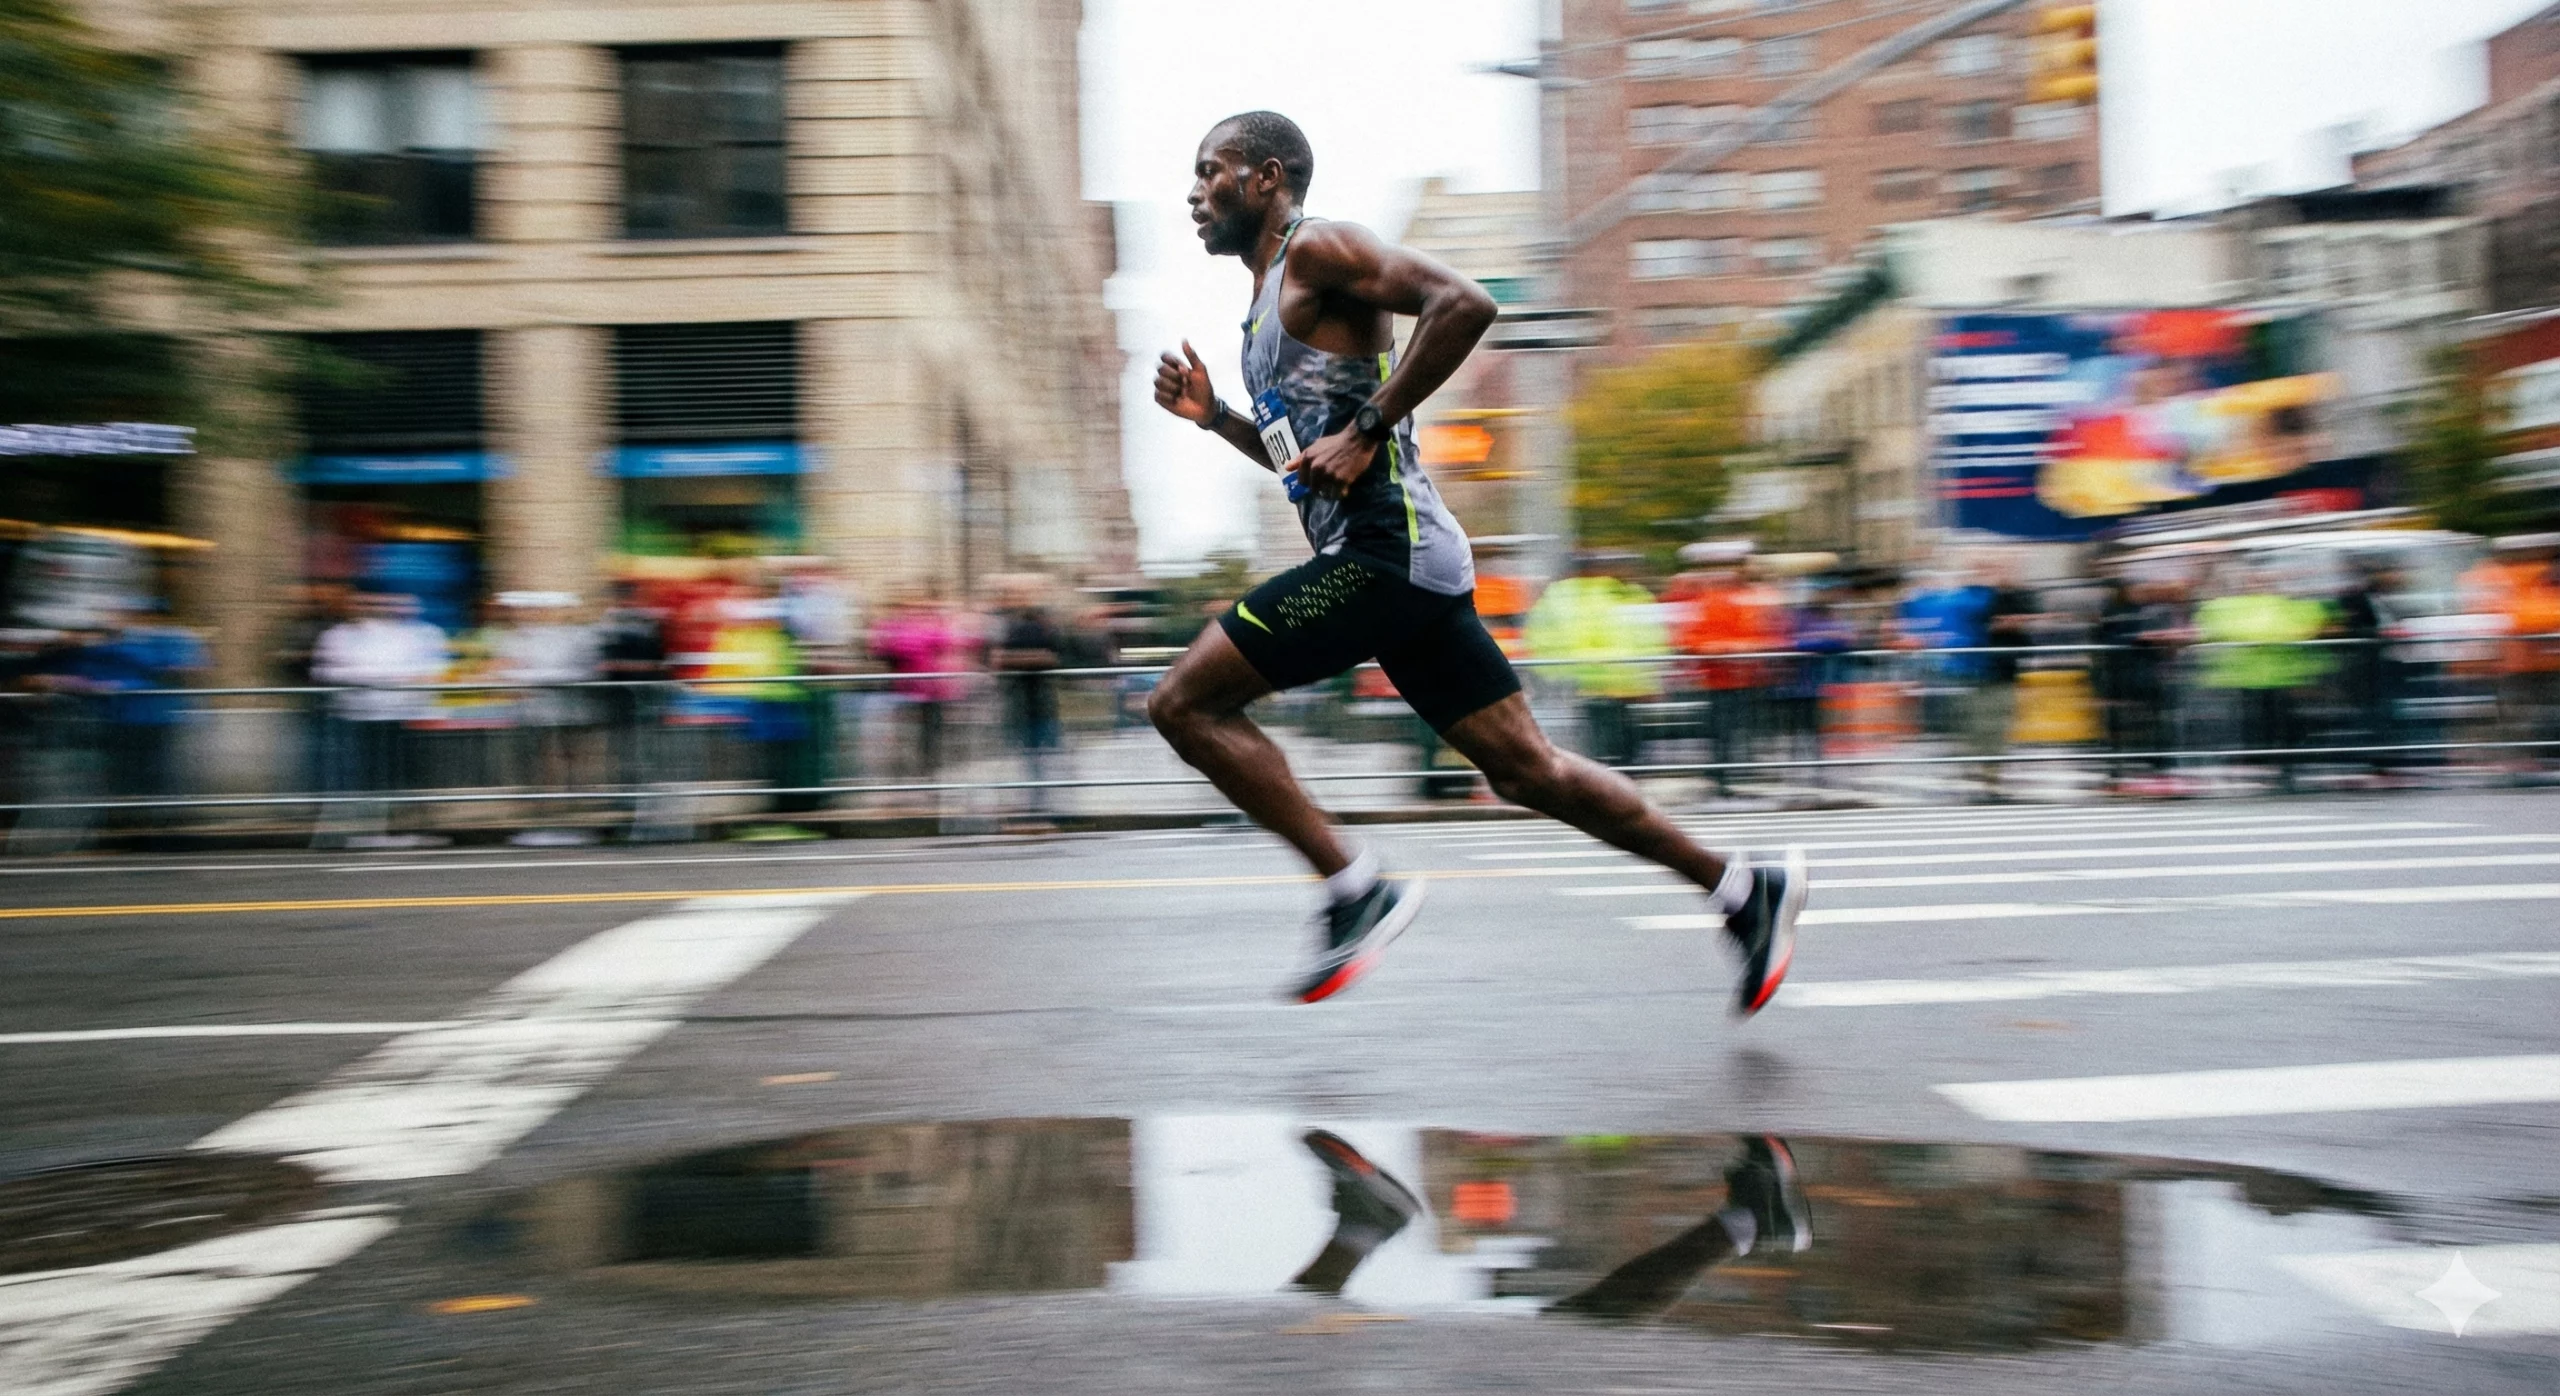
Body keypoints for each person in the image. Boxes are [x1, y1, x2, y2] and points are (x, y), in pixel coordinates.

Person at [1145, 111, 1805, 1010]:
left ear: (1265, 178)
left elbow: (1466, 302)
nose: (1193, 192)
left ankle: (1355, 887)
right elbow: (1311, 463)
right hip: (1399, 564)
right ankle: (1741, 889)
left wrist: (1369, 425)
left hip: (1385, 556)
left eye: (1208, 170)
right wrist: (1219, 417)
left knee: (1183, 701)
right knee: (1527, 772)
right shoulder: (1264, 307)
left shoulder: (1319, 249)